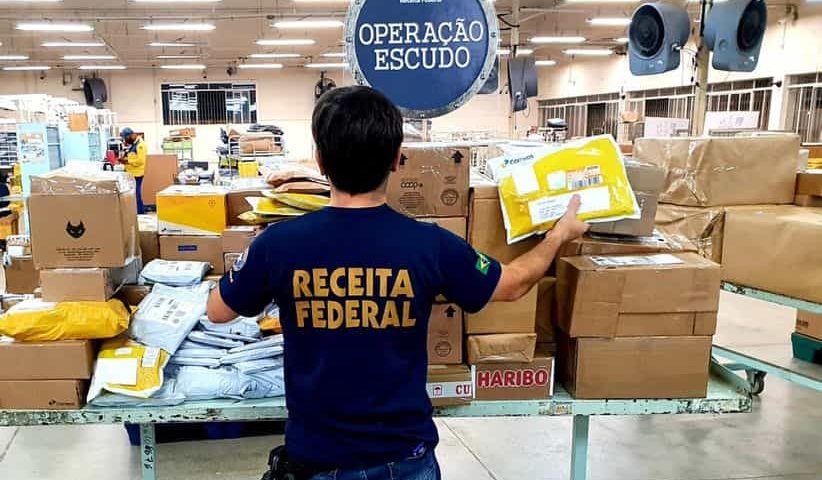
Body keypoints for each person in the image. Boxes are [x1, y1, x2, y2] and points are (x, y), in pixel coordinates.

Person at [206, 86, 589, 480]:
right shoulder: (430, 244)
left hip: (317, 460)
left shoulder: (278, 245)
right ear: (396, 159)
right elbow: (513, 284)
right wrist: (559, 234)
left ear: (319, 160)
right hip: (404, 459)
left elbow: (217, 310)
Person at [119, 127, 147, 214]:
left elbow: (140, 161)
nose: (126, 141)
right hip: (131, 173)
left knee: (136, 194)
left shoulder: (140, 145)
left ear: (132, 135)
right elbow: (133, 156)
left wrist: (127, 161)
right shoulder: (134, 144)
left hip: (137, 174)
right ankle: (139, 212)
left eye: (126, 138)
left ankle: (140, 213)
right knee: (134, 194)